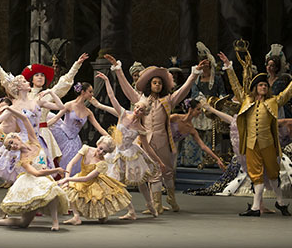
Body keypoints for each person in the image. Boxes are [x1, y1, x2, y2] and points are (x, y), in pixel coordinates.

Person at [103, 53, 207, 212]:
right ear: (149, 84)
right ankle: (155, 205)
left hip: (162, 139)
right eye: (154, 82)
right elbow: (125, 88)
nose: (157, 85)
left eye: (159, 83)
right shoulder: (140, 99)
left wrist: (194, 74)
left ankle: (171, 197)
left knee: (167, 172)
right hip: (145, 140)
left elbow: (184, 90)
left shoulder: (168, 100)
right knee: (152, 172)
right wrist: (118, 69)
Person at [217, 48, 292, 217]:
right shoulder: (247, 100)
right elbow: (236, 87)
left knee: (273, 172)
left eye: (265, 85)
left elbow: (288, 93)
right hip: (251, 144)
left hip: (268, 143)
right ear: (255, 87)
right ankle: (256, 208)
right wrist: (228, 67)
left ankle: (281, 202)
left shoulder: (273, 101)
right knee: (256, 175)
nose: (263, 87)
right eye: (260, 85)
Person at [0, 107, 68, 231]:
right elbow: (37, 173)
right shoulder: (23, 161)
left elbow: (25, 119)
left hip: (44, 181)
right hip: (33, 184)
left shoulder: (34, 141)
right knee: (24, 223)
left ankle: (55, 222)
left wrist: (9, 108)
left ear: (17, 138)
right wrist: (56, 170)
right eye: (10, 146)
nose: (13, 145)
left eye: (12, 142)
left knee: (53, 189)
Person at [92, 72, 165, 217]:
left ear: (144, 113)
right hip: (116, 152)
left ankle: (150, 205)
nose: (137, 110)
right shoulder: (123, 114)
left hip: (130, 154)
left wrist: (159, 161)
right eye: (137, 107)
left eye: (141, 110)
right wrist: (107, 80)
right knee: (116, 182)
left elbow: (148, 148)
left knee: (140, 182)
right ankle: (131, 210)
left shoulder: (141, 129)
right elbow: (112, 98)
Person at [57, 135, 135, 224]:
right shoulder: (86, 149)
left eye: (104, 152)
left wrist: (67, 180)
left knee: (102, 217)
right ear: (98, 144)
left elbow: (87, 178)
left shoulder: (103, 163)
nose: (101, 152)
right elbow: (71, 163)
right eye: (100, 148)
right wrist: (67, 179)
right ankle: (76, 217)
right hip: (81, 177)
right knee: (68, 189)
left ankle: (106, 215)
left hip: (92, 182)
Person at [47, 81, 108, 175]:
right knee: (58, 159)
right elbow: (56, 118)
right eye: (90, 91)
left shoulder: (88, 112)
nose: (92, 94)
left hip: (74, 140)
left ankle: (67, 183)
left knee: (73, 163)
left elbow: (99, 128)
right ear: (83, 92)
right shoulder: (69, 105)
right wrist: (43, 126)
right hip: (62, 135)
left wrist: (109, 137)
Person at [180, 42, 226, 167]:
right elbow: (194, 91)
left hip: (211, 108)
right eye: (203, 64)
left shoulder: (216, 78)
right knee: (194, 132)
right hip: (198, 108)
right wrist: (200, 101)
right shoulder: (197, 77)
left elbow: (222, 92)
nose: (205, 66)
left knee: (210, 134)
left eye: (207, 64)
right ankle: (193, 160)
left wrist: (218, 101)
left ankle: (211, 159)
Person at [169, 98, 226, 170]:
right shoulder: (175, 117)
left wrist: (217, 159)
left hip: (171, 150)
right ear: (190, 109)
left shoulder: (191, 129)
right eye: (198, 109)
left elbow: (203, 146)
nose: (200, 112)